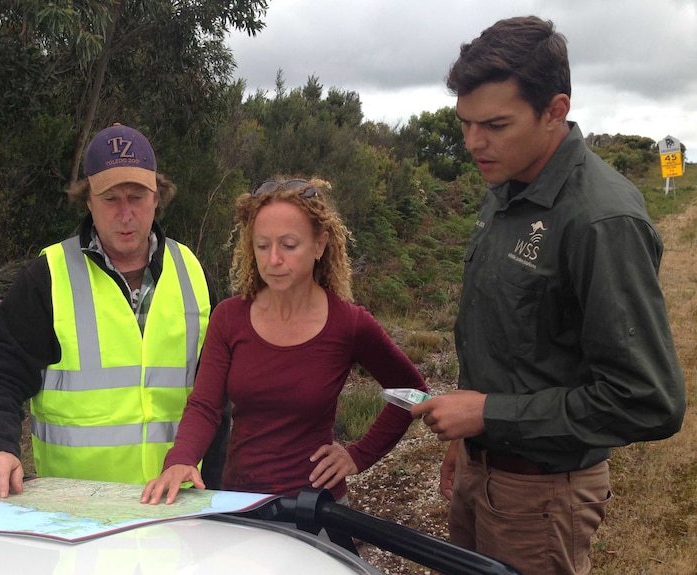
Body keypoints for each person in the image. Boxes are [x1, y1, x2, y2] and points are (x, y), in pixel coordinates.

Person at [410, 16, 686, 575]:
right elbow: (507, 342)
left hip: (542, 501)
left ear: (555, 110)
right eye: (464, 124)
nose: (472, 143)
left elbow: (647, 399)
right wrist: (466, 442)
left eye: (494, 124)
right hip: (479, 472)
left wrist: (489, 414)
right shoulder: (503, 187)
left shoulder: (600, 219)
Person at [0, 123, 226, 498]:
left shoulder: (194, 272)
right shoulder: (47, 276)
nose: (125, 213)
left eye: (137, 196)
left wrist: (219, 488)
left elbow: (219, 397)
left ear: (157, 197)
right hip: (79, 513)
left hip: (180, 506)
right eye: (110, 198)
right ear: (88, 200)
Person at [140, 177, 429, 506]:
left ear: (320, 245)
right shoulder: (228, 318)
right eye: (262, 246)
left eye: (289, 245)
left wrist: (358, 455)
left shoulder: (349, 324)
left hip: (317, 510)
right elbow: (205, 406)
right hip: (241, 506)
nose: (273, 259)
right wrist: (181, 459)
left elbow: (413, 391)